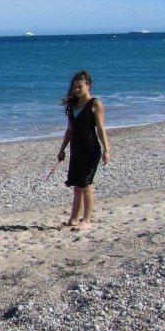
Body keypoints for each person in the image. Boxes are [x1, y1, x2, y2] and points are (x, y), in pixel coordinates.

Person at [56, 70, 111, 230]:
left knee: (86, 185)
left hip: (90, 149)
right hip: (76, 149)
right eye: (74, 87)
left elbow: (101, 129)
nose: (77, 90)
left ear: (88, 86)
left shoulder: (95, 104)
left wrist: (107, 149)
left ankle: (86, 220)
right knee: (77, 186)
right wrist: (62, 150)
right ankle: (74, 218)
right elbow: (69, 130)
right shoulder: (73, 105)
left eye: (80, 86)